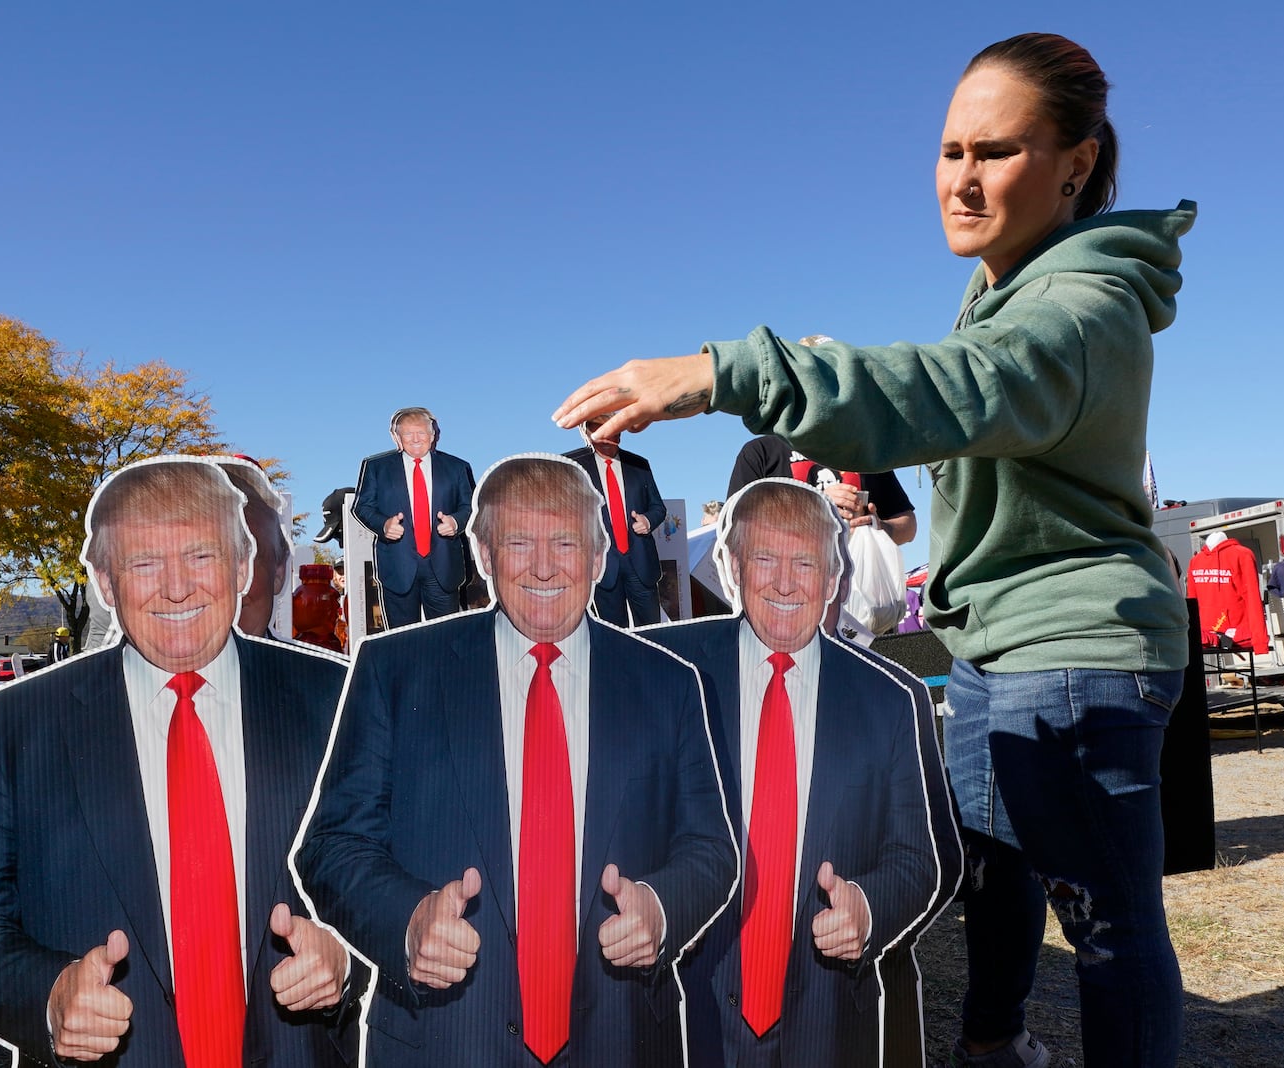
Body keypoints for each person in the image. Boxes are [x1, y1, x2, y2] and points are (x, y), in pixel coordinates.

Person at [555, 32, 1191, 1068]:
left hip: (1072, 650)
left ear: (1075, 165)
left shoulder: (1079, 305)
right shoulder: (1010, 291)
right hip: (994, 645)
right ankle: (993, 1043)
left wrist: (729, 373)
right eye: (949, 152)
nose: (962, 180)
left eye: (996, 152)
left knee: (1110, 928)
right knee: (991, 871)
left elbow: (950, 390)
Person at [292, 454, 737, 1067]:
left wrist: (662, 909)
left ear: (600, 552)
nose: (546, 566)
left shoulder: (670, 682)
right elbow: (333, 845)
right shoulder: (394, 671)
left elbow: (711, 847)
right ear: (482, 552)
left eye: (566, 541)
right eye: (520, 542)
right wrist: (406, 919)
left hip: (625, 1040)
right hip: (444, 1041)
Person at [0, 457, 358, 1067]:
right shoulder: (9, 728)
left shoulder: (341, 703)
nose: (176, 587)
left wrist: (348, 957)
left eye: (201, 555)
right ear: (104, 579)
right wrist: (47, 993)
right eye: (144, 562)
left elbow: (409, 889)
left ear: (242, 563)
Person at [642, 480, 954, 1066]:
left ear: (835, 576)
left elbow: (919, 857)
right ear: (732, 566)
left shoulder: (890, 699)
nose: (786, 583)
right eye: (764, 558)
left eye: (806, 562)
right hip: (681, 1008)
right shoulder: (658, 677)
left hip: (830, 1014)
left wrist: (869, 904)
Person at [352, 407, 477, 629]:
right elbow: (362, 507)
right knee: (400, 643)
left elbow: (471, 506)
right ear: (397, 438)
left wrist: (456, 522)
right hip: (397, 567)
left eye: (421, 432)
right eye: (408, 434)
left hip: (443, 568)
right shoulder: (375, 468)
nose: (416, 439)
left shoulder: (457, 468)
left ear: (433, 435)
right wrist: (384, 525)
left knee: (446, 639)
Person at [563, 415, 668, 626]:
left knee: (652, 633)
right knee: (612, 636)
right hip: (601, 565)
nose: (608, 435)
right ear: (586, 433)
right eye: (599, 429)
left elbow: (658, 507)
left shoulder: (639, 464)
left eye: (613, 429)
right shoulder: (572, 466)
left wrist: (647, 521)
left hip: (640, 562)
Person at [727, 434, 918, 546]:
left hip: (856, 595)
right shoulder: (760, 452)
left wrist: (880, 528)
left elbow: (909, 525)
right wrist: (814, 506)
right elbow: (734, 526)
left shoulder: (863, 452)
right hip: (785, 593)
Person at [217, 456, 295, 640]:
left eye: (244, 555)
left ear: (279, 571)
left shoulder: (317, 669)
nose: (223, 584)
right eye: (200, 558)